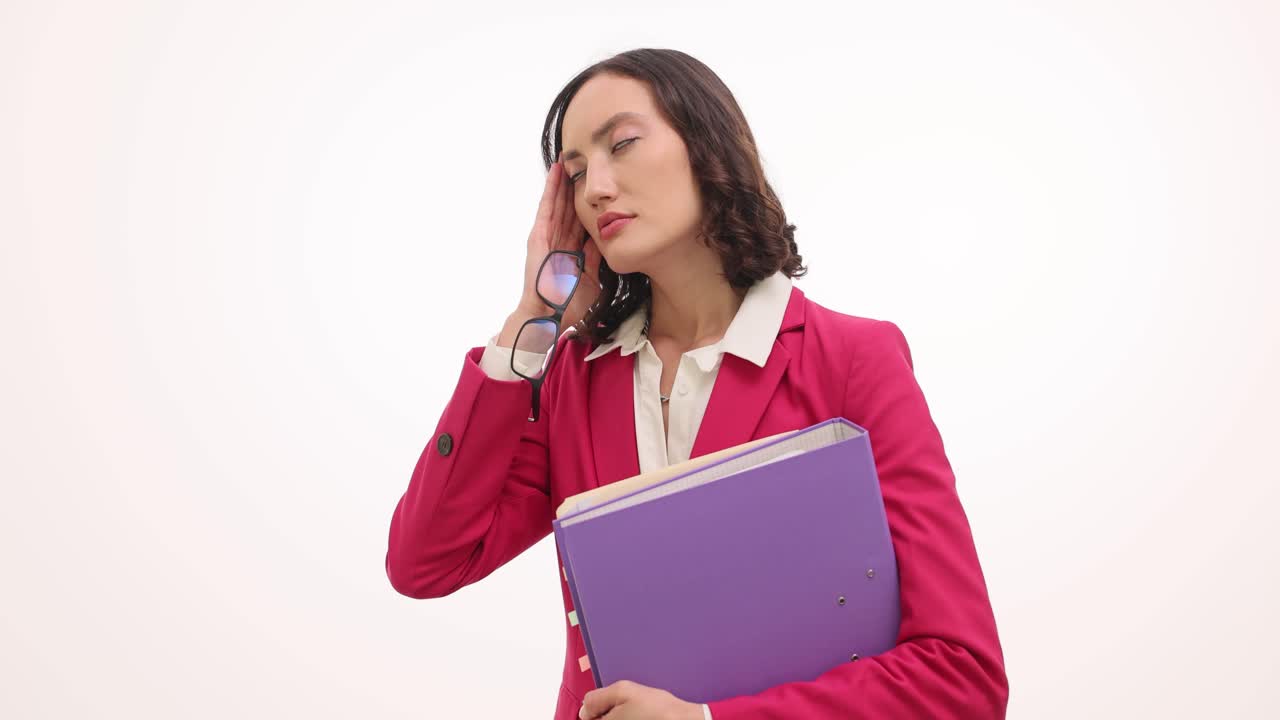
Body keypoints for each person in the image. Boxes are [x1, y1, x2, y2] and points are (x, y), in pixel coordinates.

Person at [385, 48, 1008, 720]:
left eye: (621, 144)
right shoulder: (575, 377)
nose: (594, 188)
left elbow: (962, 676)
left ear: (709, 148)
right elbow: (428, 562)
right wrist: (534, 317)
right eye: (573, 174)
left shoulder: (853, 359)